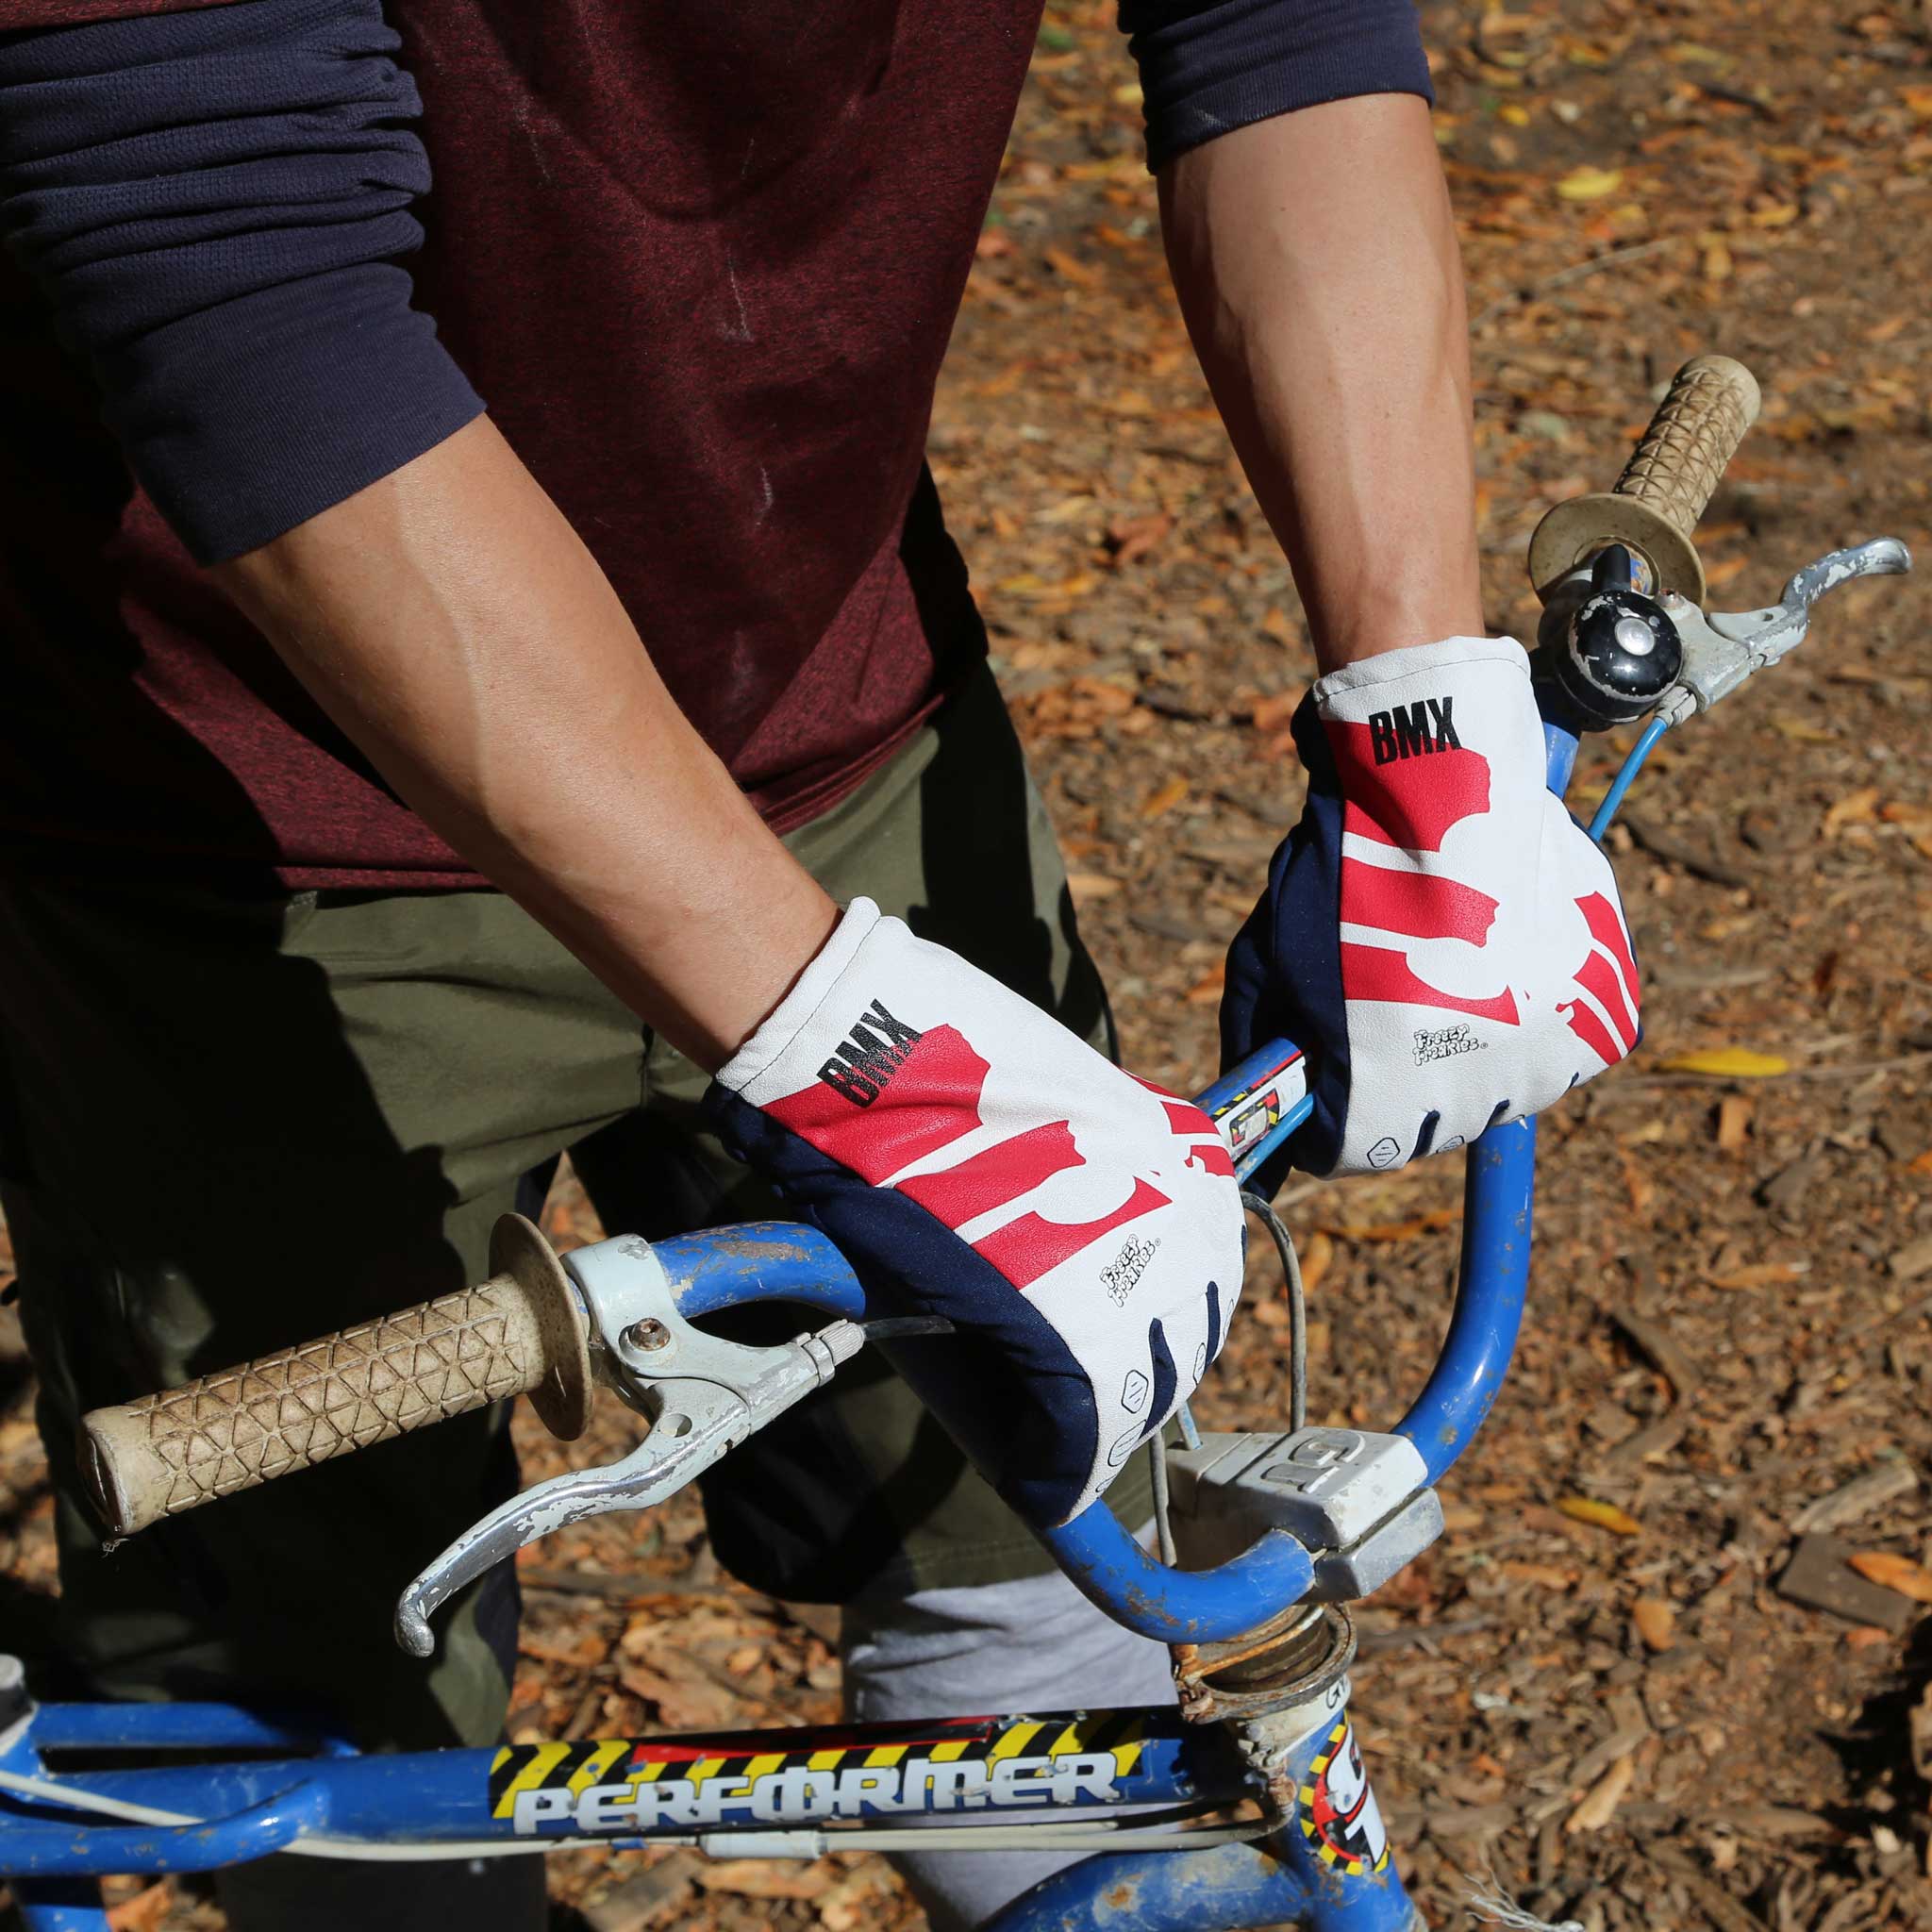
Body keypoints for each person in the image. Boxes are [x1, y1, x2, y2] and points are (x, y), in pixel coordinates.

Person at [0, 3, 1638, 1926]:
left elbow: (1278, 32)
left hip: (839, 720)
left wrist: (1422, 723)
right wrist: (863, 1052)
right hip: (246, 839)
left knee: (1044, 1589)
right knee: (352, 1791)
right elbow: (223, 251)